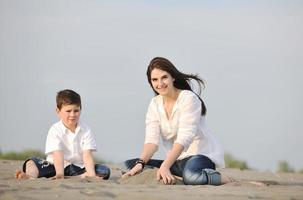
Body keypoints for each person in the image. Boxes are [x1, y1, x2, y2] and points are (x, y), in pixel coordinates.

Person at [123, 57, 231, 185]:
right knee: (129, 165)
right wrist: (140, 164)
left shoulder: (188, 98)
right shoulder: (154, 104)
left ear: (173, 77)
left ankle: (226, 179)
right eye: (155, 80)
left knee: (191, 177)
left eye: (164, 77)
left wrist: (164, 166)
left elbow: (184, 138)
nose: (160, 83)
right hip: (176, 161)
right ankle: (176, 174)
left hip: (199, 156)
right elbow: (151, 142)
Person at [15, 89, 110, 180]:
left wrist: (91, 175)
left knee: (104, 170)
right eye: (68, 111)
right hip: (55, 165)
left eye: (76, 111)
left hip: (78, 168)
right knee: (31, 162)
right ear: (58, 111)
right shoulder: (55, 130)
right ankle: (30, 177)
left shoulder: (86, 130)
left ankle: (76, 177)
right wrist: (60, 174)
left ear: (81, 109)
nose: (72, 115)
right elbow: (57, 153)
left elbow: (87, 155)